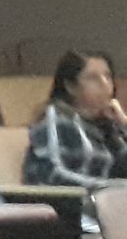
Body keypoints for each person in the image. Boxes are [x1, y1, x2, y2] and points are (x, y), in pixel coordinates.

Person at [25, 51, 127, 221]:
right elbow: (53, 174)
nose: (105, 84)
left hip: (107, 209)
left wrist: (124, 123)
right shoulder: (56, 117)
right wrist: (112, 188)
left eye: (108, 76)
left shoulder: (108, 123)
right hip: (68, 211)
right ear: (70, 86)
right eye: (93, 78)